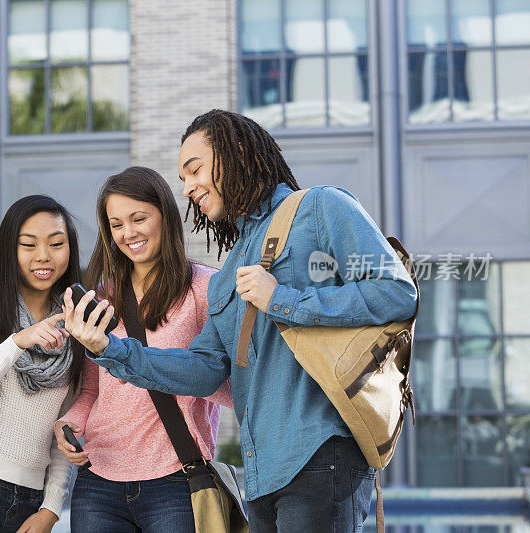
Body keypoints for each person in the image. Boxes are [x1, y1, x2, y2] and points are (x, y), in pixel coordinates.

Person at [63, 109, 419, 532]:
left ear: (234, 154)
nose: (188, 188)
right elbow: (202, 371)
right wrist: (111, 350)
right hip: (262, 476)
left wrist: (282, 299)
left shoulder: (320, 207)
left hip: (321, 453)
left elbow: (396, 292)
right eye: (182, 179)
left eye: (195, 170)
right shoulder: (228, 272)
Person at [53, 167, 232, 532]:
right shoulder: (102, 297)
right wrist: (70, 422)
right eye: (116, 224)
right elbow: (93, 389)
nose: (128, 233)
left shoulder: (206, 288)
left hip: (176, 479)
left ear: (165, 217)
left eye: (139, 219)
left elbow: (224, 385)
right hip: (98, 483)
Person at [0, 195, 84, 533]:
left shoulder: (78, 327)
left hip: (31, 499)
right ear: (9, 249)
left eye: (56, 243)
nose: (43, 256)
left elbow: (65, 433)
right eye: (28, 244)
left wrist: (50, 509)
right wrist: (18, 341)